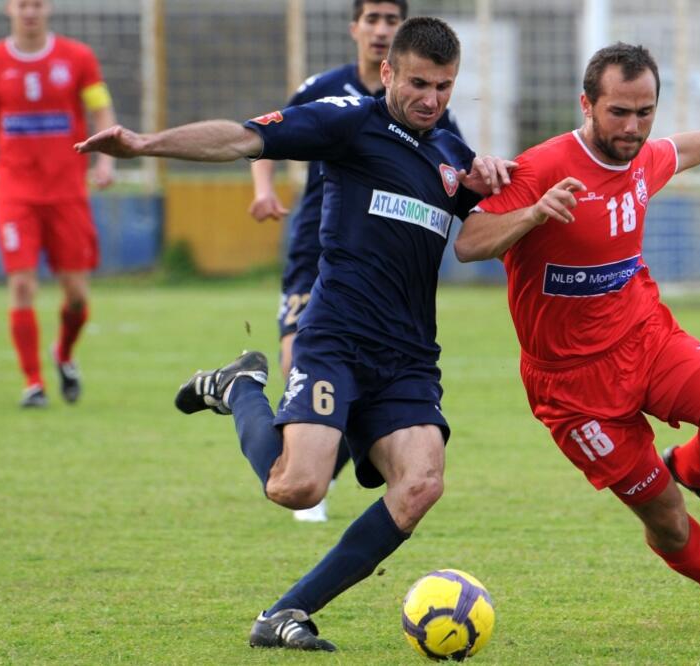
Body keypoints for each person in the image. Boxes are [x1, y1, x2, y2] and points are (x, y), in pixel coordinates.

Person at [76, 17, 513, 651]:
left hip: (408, 359)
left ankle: (286, 613)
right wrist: (146, 145)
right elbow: (240, 139)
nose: (432, 99)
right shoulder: (348, 121)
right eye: (419, 83)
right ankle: (242, 387)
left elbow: (481, 233)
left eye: (444, 87)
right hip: (336, 339)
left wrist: (517, 189)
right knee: (297, 486)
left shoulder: (452, 156)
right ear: (387, 72)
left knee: (421, 483)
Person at [455, 43, 700, 632]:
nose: (633, 127)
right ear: (586, 104)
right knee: (665, 517)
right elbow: (470, 242)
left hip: (646, 339)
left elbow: (679, 150)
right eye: (619, 112)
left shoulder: (640, 155)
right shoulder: (540, 166)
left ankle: (694, 467)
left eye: (645, 112)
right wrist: (535, 214)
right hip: (572, 388)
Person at [249, 0, 464, 523]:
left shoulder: (431, 109)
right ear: (357, 29)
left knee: (344, 383)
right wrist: (262, 190)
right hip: (315, 253)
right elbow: (266, 136)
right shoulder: (326, 89)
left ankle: (319, 467)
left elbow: (453, 165)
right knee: (295, 361)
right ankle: (297, 460)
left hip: (385, 271)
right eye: (373, 20)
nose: (381, 29)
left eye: (391, 20)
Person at [0, 0, 116, 408]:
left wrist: (105, 157)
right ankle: (33, 383)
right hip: (16, 192)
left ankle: (63, 353)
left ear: (48, 8)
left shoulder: (77, 57)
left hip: (68, 191)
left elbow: (101, 109)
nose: (29, 11)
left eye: (37, 3)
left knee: (77, 296)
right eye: (21, 4)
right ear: (8, 9)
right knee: (22, 283)